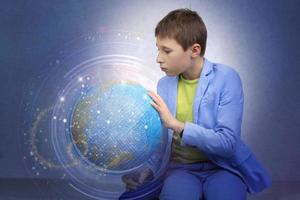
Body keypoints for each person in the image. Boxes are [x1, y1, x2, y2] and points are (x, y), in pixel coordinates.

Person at [123, 8, 271, 200]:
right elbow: (163, 138)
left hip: (223, 167)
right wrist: (149, 168)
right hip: (181, 170)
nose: (158, 58)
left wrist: (177, 125)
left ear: (194, 50)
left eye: (166, 51)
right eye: (158, 49)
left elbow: (227, 143)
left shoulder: (227, 78)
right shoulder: (164, 84)